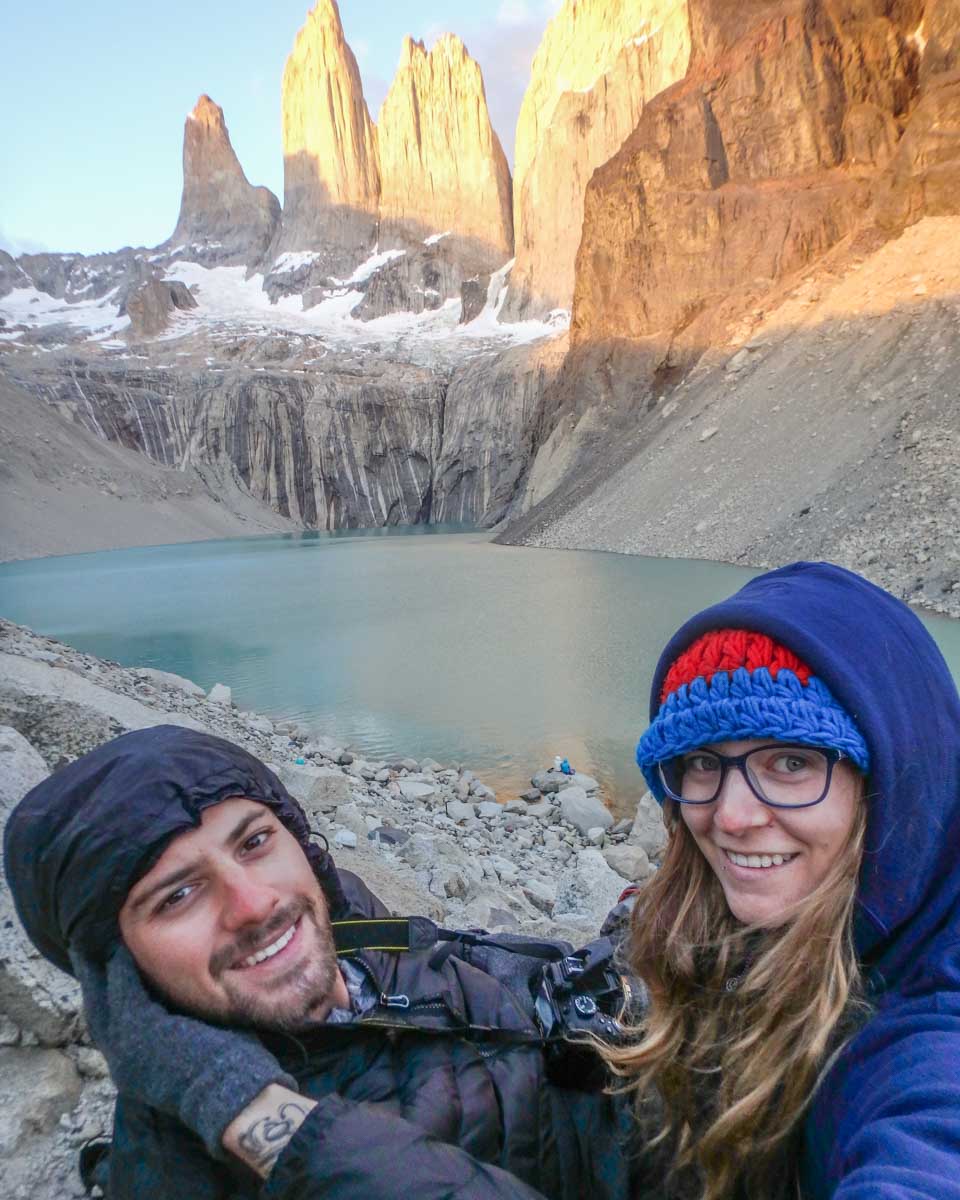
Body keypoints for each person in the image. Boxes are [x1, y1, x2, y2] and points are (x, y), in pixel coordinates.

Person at [4, 725, 631, 1200]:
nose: (253, 904)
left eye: (254, 842)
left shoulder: (362, 930)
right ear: (117, 969)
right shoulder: (185, 1169)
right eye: (177, 895)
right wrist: (249, 1111)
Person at [604, 561, 960, 1199]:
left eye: (792, 761)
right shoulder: (710, 924)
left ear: (894, 784)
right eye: (703, 762)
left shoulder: (932, 1038)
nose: (733, 817)